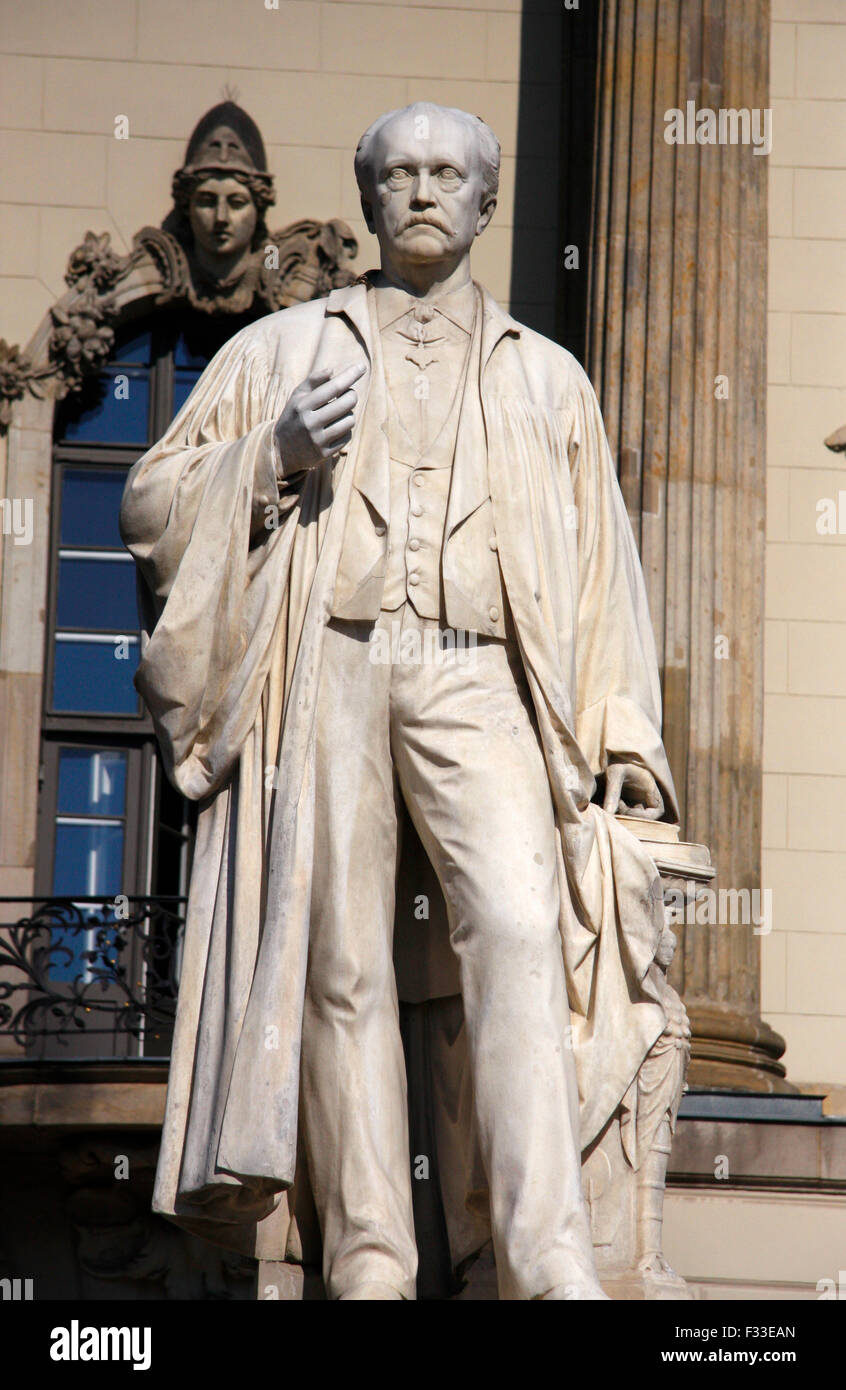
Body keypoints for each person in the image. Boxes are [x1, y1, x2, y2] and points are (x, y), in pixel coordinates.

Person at [120, 102, 678, 1301]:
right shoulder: (281, 351)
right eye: (401, 174)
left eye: (449, 175)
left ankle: (547, 1252)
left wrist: (625, 737)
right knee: (342, 959)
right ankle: (371, 1254)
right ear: (370, 200)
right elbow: (150, 505)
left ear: (485, 206)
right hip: (332, 656)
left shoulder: (547, 376)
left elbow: (601, 578)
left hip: (483, 671)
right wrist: (267, 456)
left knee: (523, 930)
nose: (424, 192)